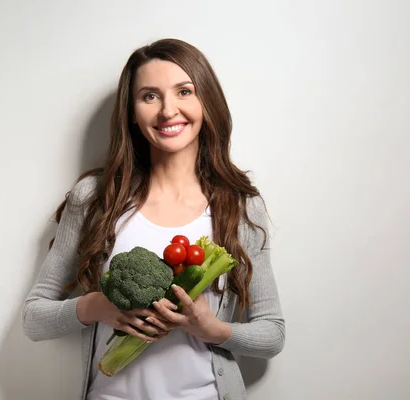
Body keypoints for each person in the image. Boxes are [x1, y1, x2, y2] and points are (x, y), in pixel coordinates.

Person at [22, 38, 285, 400]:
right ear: (131, 111)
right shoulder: (96, 199)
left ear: (205, 101)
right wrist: (98, 306)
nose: (167, 110)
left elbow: (272, 333)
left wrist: (213, 329)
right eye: (149, 96)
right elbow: (34, 318)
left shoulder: (239, 207)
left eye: (184, 91)